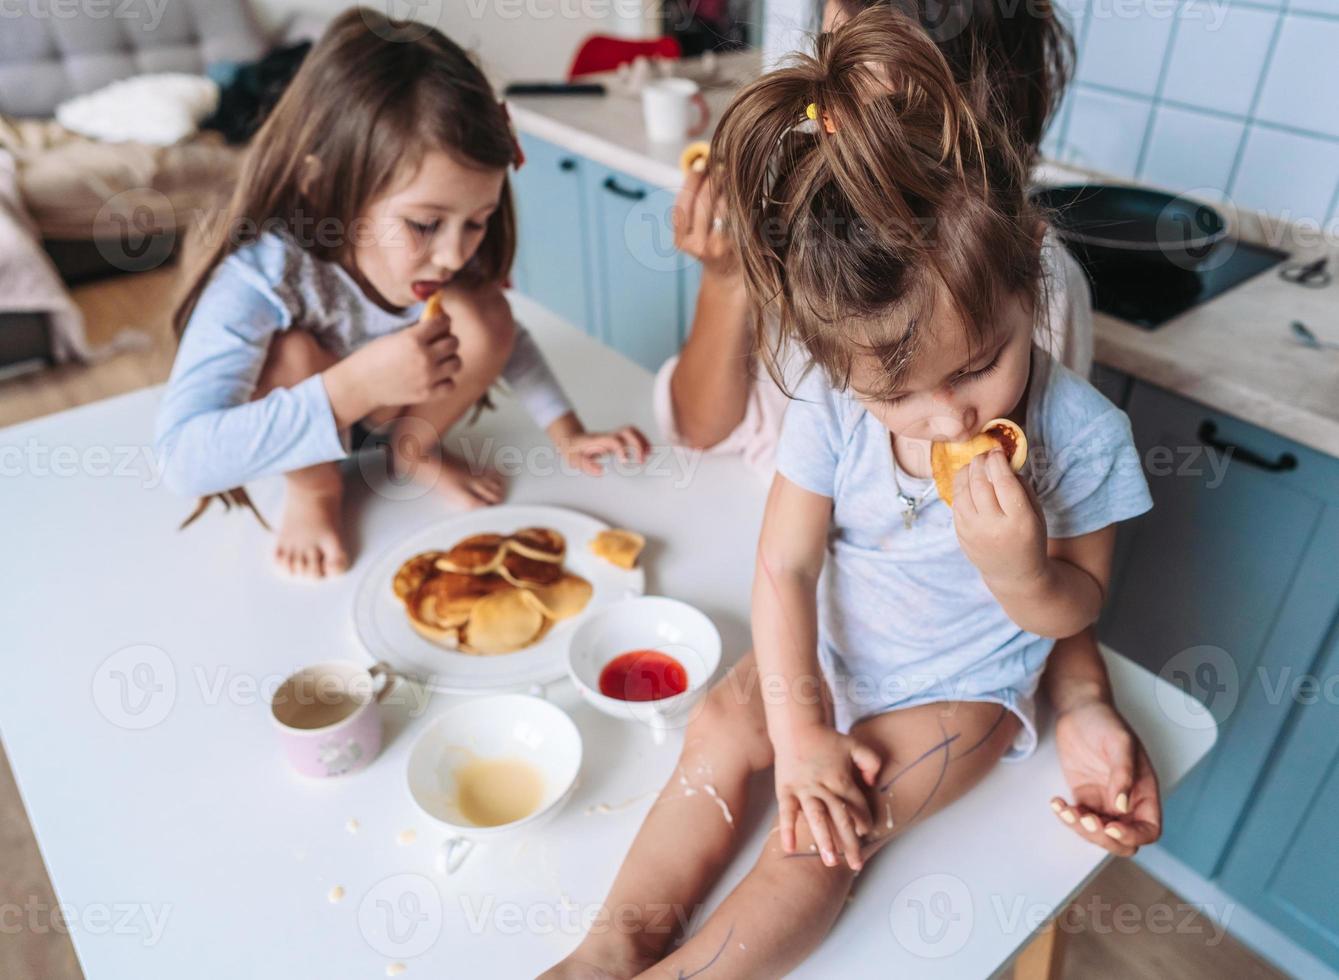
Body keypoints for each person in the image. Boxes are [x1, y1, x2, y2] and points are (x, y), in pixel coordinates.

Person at [545, 11, 1153, 977]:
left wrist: (1019, 571)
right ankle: (612, 942)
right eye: (897, 397)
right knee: (718, 729)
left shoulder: (1085, 438)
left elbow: (1080, 603)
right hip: (831, 650)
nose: (948, 420)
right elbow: (785, 566)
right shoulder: (830, 400)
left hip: (964, 691)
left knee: (829, 830)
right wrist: (796, 729)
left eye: (979, 367)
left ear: (1026, 264)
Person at [663, 0, 1158, 862]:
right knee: (714, 741)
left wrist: (1076, 691)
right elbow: (738, 489)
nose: (953, 416)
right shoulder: (821, 251)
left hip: (949, 666)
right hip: (798, 606)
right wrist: (724, 280)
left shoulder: (1011, 292)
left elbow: (1066, 538)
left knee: (818, 845)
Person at [154, 9, 648, 579]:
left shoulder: (446, 256)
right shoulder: (262, 274)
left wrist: (568, 431)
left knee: (485, 312)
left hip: (401, 413)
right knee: (289, 352)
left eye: (478, 221)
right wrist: (356, 386)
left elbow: (505, 338)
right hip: (309, 422)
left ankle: (412, 451)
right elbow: (182, 459)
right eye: (424, 224)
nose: (454, 254)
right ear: (323, 189)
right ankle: (316, 492)